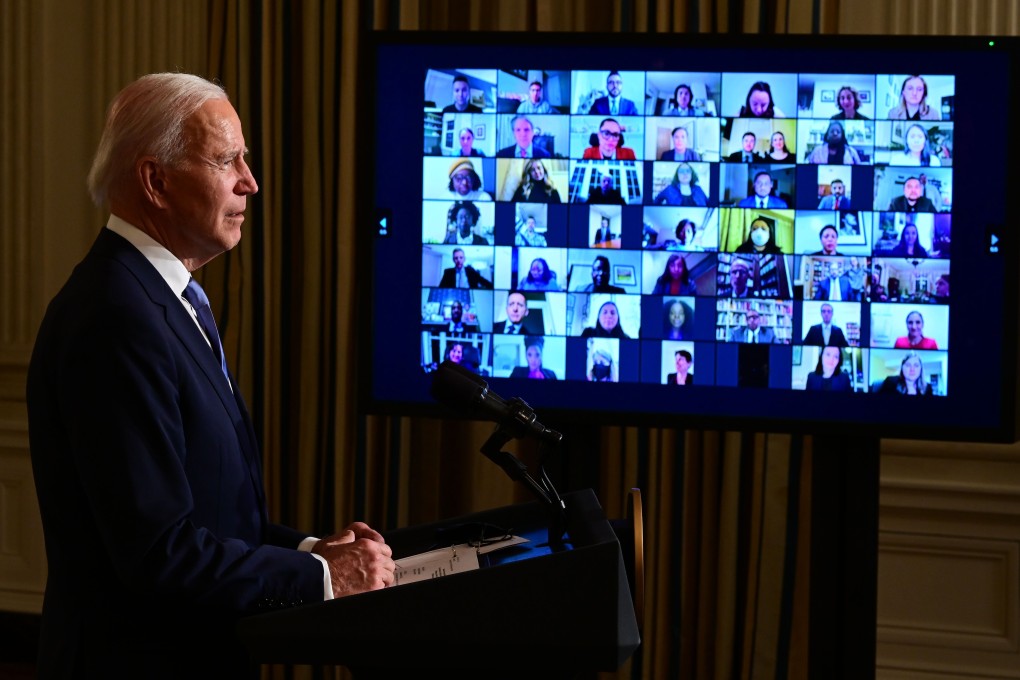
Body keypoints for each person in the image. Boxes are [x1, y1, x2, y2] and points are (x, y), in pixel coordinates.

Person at [26, 73, 396, 677]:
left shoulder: (170, 299)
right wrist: (324, 578)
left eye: (244, 159)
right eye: (227, 161)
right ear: (156, 181)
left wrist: (310, 552)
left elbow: (210, 515)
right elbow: (157, 551)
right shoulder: (115, 316)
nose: (250, 181)